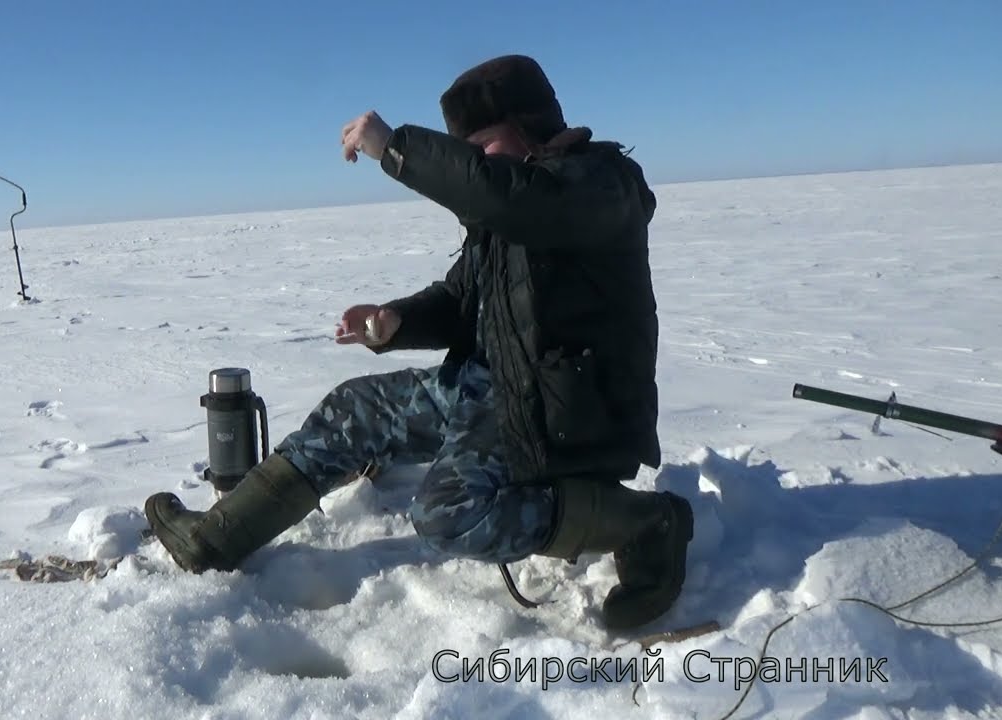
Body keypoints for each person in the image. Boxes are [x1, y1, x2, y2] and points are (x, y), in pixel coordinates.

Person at [145, 54, 693, 630]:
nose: (477, 160)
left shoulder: (598, 186)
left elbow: (512, 198)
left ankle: (645, 522)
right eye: (470, 150)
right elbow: (463, 301)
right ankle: (214, 541)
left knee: (447, 514)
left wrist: (397, 148)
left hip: (569, 410)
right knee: (350, 409)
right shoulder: (508, 209)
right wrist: (394, 322)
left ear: (531, 125)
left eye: (486, 146)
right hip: (495, 386)